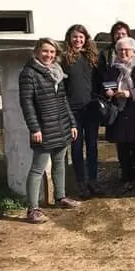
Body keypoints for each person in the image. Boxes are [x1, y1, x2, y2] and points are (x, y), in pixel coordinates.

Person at [19, 38, 80, 224]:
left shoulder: (57, 72)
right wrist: (34, 128)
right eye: (45, 51)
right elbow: (26, 104)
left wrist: (72, 123)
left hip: (61, 125)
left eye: (52, 52)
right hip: (43, 128)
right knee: (38, 169)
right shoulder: (28, 74)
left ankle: (60, 197)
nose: (49, 55)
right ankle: (32, 209)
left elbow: (63, 100)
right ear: (37, 51)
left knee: (60, 162)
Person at [103, 37, 135, 193]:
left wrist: (129, 93)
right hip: (118, 111)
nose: (123, 52)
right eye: (120, 50)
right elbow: (106, 85)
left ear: (133, 51)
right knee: (122, 147)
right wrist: (109, 92)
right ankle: (127, 178)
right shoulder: (112, 68)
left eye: (127, 50)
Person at [61, 24, 101, 198]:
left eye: (81, 37)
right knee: (77, 147)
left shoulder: (92, 57)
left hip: (91, 108)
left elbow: (100, 81)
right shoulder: (64, 59)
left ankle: (93, 180)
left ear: (86, 38)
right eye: (75, 37)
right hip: (73, 110)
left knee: (92, 146)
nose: (78, 40)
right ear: (69, 38)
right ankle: (80, 182)